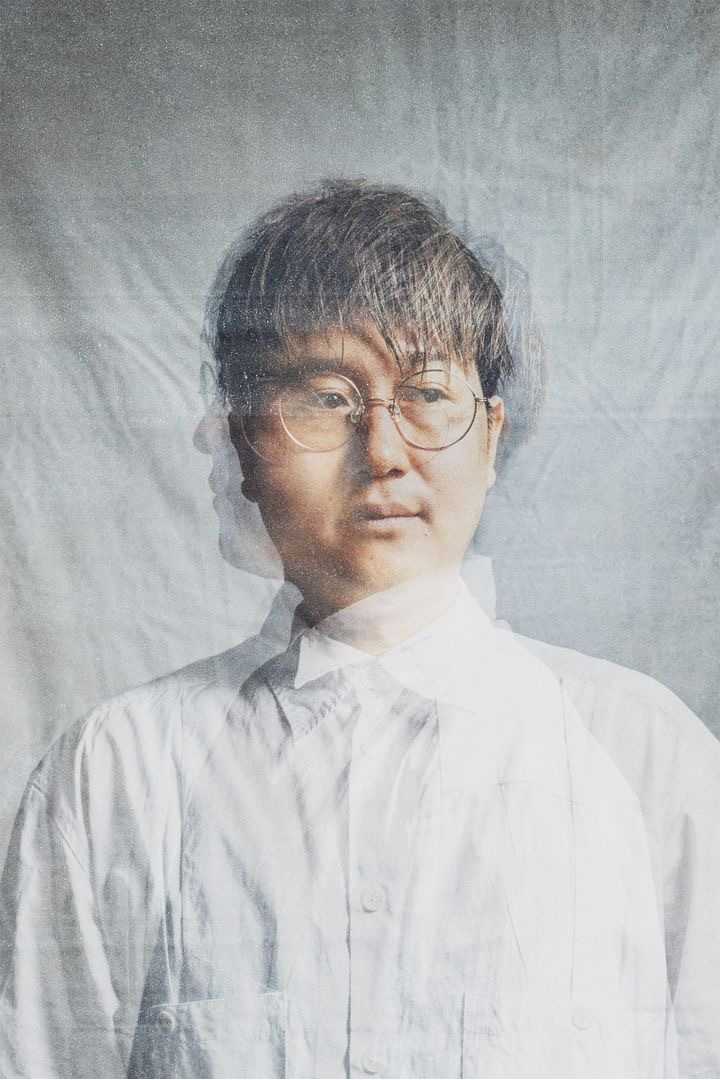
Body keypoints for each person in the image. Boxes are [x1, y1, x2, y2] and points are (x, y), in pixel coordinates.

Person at [1, 179, 718, 1078]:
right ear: (244, 445)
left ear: (489, 438)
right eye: (327, 398)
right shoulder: (114, 775)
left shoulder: (647, 759)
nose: (382, 451)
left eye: (426, 392)